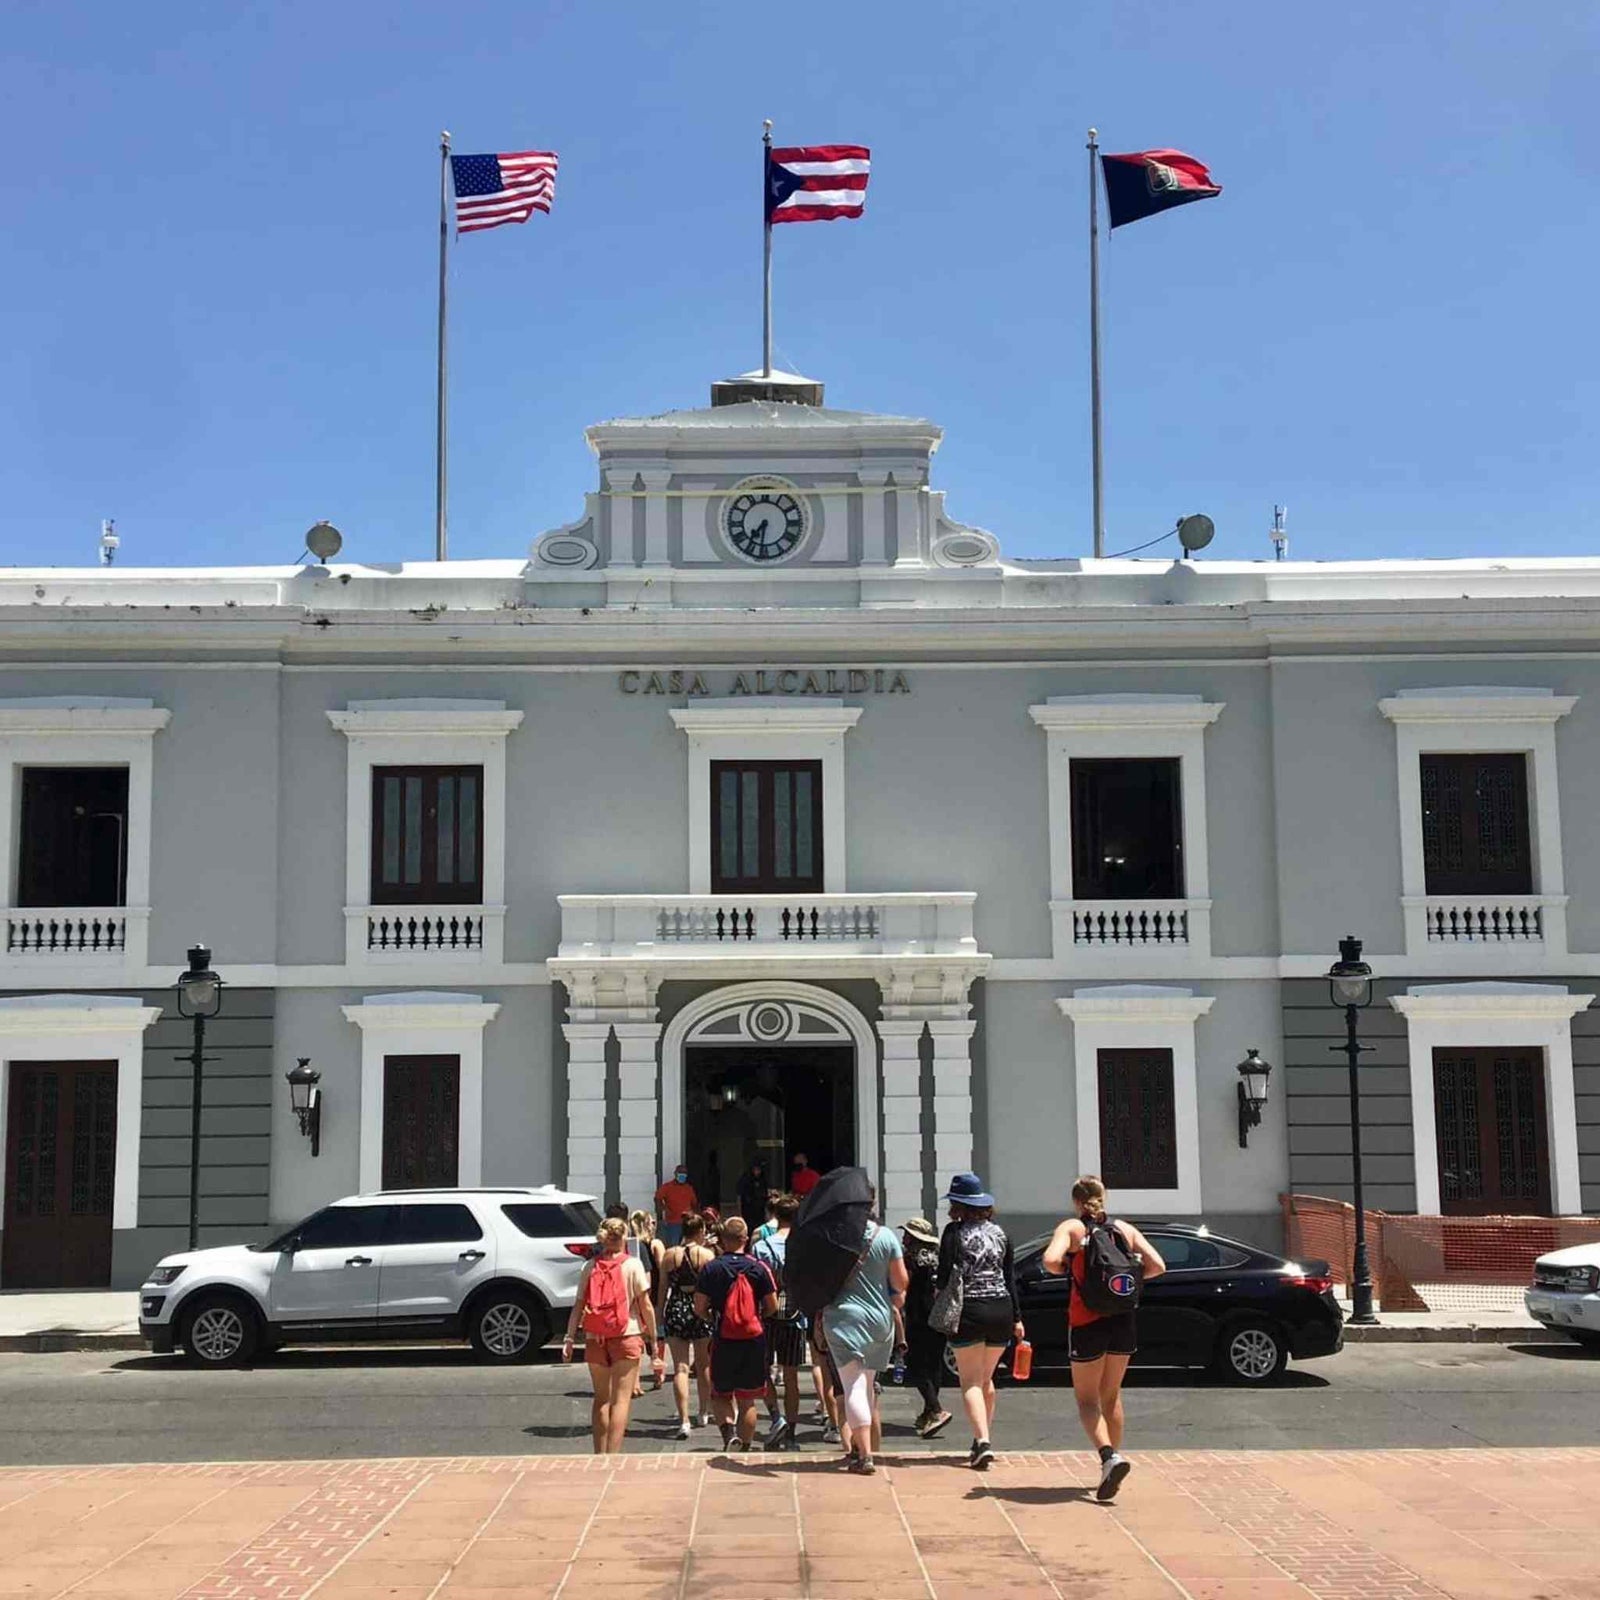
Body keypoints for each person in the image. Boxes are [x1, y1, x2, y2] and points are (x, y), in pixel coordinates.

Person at [1042, 1174, 1167, 1502]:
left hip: (1087, 1321)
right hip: (1123, 1319)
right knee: (1111, 1396)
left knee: (1087, 1400)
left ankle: (1108, 1457)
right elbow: (1158, 1266)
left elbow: (1050, 1261)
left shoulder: (1072, 1228)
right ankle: (1112, 1463)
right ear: (1103, 1198)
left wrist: (1072, 1270)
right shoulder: (1124, 1229)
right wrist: (1130, 1282)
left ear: (1076, 1201)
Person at [936, 1172, 1023, 1470]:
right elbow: (1009, 1277)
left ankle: (982, 1442)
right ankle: (981, 1438)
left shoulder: (953, 1233)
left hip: (969, 1309)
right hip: (1001, 1309)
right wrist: (1017, 1318)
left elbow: (944, 1276)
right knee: (987, 1379)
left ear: (958, 1205)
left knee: (970, 1381)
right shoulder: (1001, 1233)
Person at [819, 1189, 908, 1474]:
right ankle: (862, 1445)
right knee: (867, 1385)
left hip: (843, 1319)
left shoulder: (833, 1236)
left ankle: (864, 1454)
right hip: (880, 1320)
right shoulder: (886, 1236)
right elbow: (901, 1281)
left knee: (852, 1386)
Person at [562, 1216, 663, 1454]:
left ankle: (599, 1454)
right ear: (625, 1237)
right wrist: (653, 1340)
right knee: (621, 1400)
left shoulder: (590, 1266)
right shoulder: (633, 1265)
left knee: (601, 1399)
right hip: (627, 1334)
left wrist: (569, 1338)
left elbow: (579, 1305)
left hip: (595, 1336)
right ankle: (613, 1456)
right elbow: (646, 1305)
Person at [693, 1214, 779, 1452]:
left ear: (723, 1239)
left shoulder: (711, 1268)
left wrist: (712, 1318)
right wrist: (756, 1317)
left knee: (720, 1393)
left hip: (724, 1337)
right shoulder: (758, 1268)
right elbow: (772, 1306)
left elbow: (699, 1307)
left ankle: (728, 1434)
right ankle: (746, 1446)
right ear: (745, 1238)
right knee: (747, 1398)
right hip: (753, 1338)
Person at [751, 1192, 807, 1449]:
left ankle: (776, 1417)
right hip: (795, 1316)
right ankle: (792, 1434)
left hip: (767, 1315)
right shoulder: (803, 1247)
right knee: (792, 1377)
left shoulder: (762, 1247)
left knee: (763, 1370)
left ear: (776, 1216)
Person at [656, 1211, 716, 1439]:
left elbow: (662, 1288)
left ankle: (683, 1419)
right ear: (700, 1231)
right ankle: (703, 1412)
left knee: (680, 1367)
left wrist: (659, 1314)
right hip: (700, 1307)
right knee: (703, 1364)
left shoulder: (669, 1255)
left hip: (676, 1306)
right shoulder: (707, 1255)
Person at [900, 1215, 952, 1438]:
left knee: (915, 1364)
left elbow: (903, 1284)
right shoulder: (939, 1256)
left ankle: (936, 1409)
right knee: (934, 1364)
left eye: (907, 1234)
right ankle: (928, 1411)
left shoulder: (911, 1258)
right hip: (939, 1314)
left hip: (918, 1315)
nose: (903, 1238)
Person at [627, 1210, 665, 1397]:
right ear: (646, 1225)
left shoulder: (631, 1246)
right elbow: (661, 1270)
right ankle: (658, 1372)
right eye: (652, 1222)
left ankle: (635, 1381)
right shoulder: (653, 1244)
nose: (654, 1225)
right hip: (652, 1294)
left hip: (633, 1295)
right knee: (655, 1334)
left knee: (639, 1337)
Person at [655, 1165, 698, 1246]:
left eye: (684, 1173)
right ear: (675, 1174)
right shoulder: (667, 1187)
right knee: (674, 1246)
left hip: (687, 1223)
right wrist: (664, 1209)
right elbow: (657, 1198)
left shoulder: (689, 1188)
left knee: (688, 1245)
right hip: (673, 1223)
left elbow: (695, 1204)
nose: (682, 1175)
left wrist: (694, 1215)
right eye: (680, 1172)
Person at [736, 1159, 768, 1229]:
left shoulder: (762, 1179)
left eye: (759, 1170)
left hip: (760, 1211)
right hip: (748, 1210)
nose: (758, 1172)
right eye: (756, 1169)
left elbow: (765, 1195)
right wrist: (739, 1213)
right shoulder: (745, 1179)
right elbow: (739, 1196)